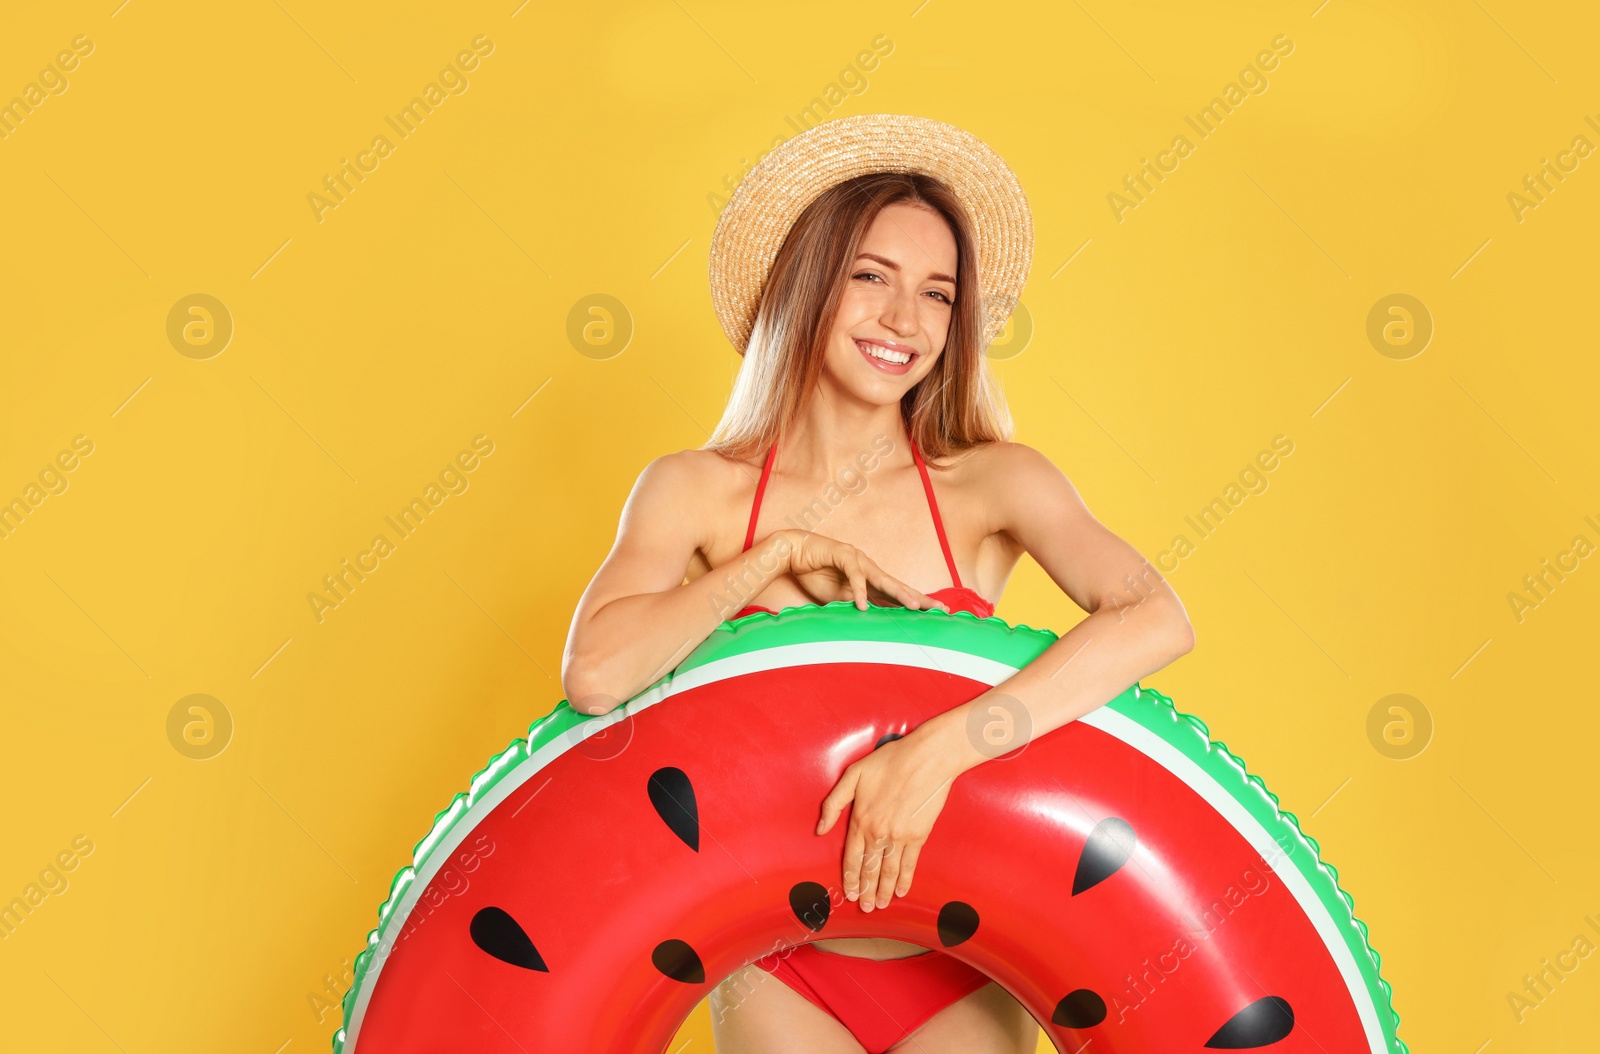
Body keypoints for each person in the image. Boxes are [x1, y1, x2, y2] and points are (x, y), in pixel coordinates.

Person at [561, 114, 1195, 1054]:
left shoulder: (990, 485)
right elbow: (596, 674)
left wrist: (937, 753)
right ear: (807, 286)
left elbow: (1157, 618)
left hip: (962, 957)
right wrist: (766, 561)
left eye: (937, 295)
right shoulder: (696, 492)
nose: (905, 321)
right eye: (871, 277)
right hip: (781, 956)